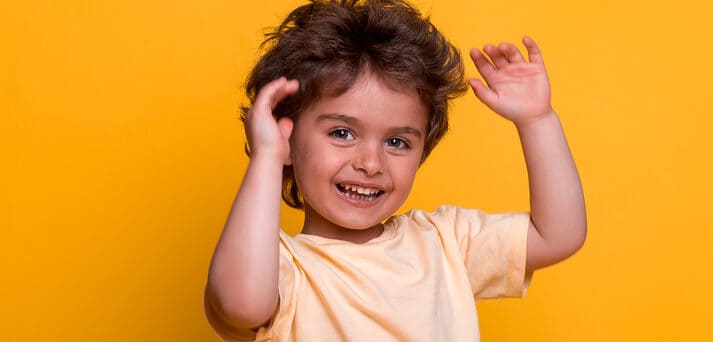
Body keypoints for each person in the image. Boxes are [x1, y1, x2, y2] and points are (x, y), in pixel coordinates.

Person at [205, 0, 587, 340]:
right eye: (342, 133)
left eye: (397, 142)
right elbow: (241, 305)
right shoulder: (281, 269)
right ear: (284, 135)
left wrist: (538, 121)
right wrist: (266, 158)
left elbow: (557, 235)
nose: (371, 164)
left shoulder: (444, 243)